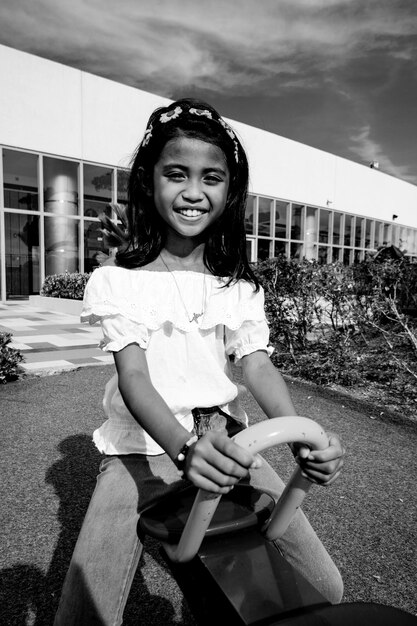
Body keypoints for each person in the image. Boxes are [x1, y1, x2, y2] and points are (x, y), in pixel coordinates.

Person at [54, 98, 345, 625]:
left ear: (230, 190)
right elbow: (135, 376)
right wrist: (184, 448)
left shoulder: (238, 285)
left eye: (211, 177)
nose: (193, 191)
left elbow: (255, 364)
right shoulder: (120, 282)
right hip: (142, 450)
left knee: (325, 586)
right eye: (176, 174)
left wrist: (304, 433)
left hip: (232, 445)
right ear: (149, 182)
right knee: (84, 613)